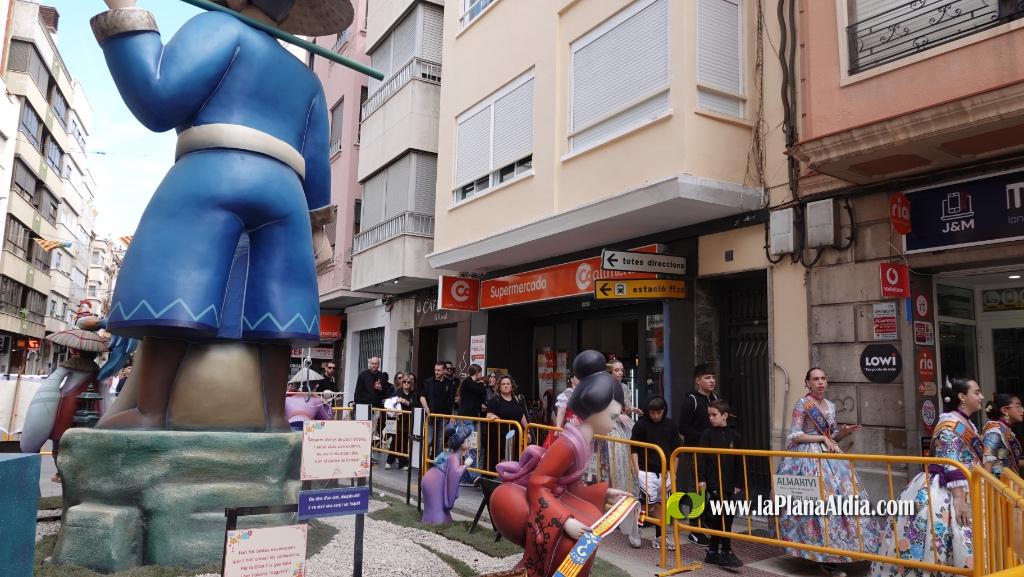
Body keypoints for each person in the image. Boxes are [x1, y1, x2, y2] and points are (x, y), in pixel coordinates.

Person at [91, 0, 344, 429]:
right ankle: (272, 418)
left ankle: (151, 411)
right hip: (286, 195)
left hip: (213, 170)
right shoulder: (308, 80)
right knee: (276, 311)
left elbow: (158, 96)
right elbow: (317, 164)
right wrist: (318, 229)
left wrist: (126, 10)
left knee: (178, 295)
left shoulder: (220, 29)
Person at [490, 350, 636, 577]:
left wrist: (603, 493)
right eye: (612, 416)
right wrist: (564, 521)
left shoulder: (583, 440)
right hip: (526, 501)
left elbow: (569, 486)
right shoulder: (568, 443)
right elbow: (538, 483)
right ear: (595, 410)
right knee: (570, 543)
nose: (614, 422)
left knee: (584, 534)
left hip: (555, 497)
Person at [869, 378, 985, 577]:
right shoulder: (949, 423)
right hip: (947, 490)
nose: (981, 396)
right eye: (976, 392)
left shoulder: (967, 425)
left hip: (969, 486)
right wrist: (959, 498)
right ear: (962, 397)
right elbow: (950, 459)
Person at [778, 368, 882, 577]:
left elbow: (831, 436)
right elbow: (795, 435)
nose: (820, 382)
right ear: (808, 383)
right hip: (807, 460)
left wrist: (842, 433)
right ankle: (821, 554)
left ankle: (847, 547)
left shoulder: (831, 406)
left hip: (832, 461)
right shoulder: (803, 404)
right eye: (815, 379)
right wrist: (822, 438)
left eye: (823, 378)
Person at [630, 395, 681, 551]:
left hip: (665, 472)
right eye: (653, 413)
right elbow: (634, 449)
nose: (656, 416)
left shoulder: (670, 425)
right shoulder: (641, 425)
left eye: (659, 413)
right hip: (646, 471)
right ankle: (636, 531)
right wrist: (637, 470)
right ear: (648, 411)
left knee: (661, 504)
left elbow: (676, 450)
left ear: (664, 411)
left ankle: (660, 536)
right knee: (646, 504)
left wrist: (673, 473)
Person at [676, 363, 719, 546]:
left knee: (712, 489)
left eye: (713, 377)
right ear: (698, 380)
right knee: (697, 491)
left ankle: (705, 521)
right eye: (707, 377)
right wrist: (704, 436)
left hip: (712, 453)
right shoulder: (691, 400)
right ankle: (694, 529)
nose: (712, 381)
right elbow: (683, 428)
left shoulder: (715, 399)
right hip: (695, 453)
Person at [698, 400, 743, 567]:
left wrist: (738, 483)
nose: (711, 418)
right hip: (714, 483)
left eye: (714, 415)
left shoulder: (735, 435)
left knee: (727, 516)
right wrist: (702, 479)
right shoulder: (707, 435)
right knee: (720, 514)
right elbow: (702, 458)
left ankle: (717, 550)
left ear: (724, 416)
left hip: (729, 483)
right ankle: (722, 550)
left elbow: (739, 461)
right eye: (709, 415)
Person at [421, 422, 474, 525]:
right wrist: (465, 465)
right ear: (461, 444)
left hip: (432, 478)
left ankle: (437, 518)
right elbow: (455, 474)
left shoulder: (451, 455)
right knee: (436, 507)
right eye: (468, 440)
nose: (470, 442)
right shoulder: (454, 457)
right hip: (434, 482)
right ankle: (436, 521)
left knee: (437, 507)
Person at [484, 375, 529, 470]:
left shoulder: (516, 399)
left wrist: (527, 431)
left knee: (514, 462)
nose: (506, 386)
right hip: (499, 439)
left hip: (515, 437)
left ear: (512, 386)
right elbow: (488, 415)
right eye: (503, 384)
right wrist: (493, 417)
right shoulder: (494, 400)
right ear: (499, 387)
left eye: (508, 384)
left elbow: (522, 415)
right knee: (495, 463)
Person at [457, 364, 487, 485]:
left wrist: (481, 385)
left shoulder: (474, 384)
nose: (481, 375)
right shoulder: (467, 383)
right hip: (466, 418)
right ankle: (473, 476)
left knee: (472, 447)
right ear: (477, 373)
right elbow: (481, 391)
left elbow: (483, 396)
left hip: (473, 418)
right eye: (480, 372)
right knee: (469, 447)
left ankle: (466, 477)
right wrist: (482, 384)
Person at [982, 393, 1023, 478]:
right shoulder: (994, 429)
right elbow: (987, 460)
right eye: (1017, 406)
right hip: (997, 483)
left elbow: (1007, 458)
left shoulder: (1006, 430)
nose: (1022, 410)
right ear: (1005, 410)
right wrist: (987, 484)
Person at [420, 362, 456, 457]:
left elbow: (451, 401)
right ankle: (424, 463)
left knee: (440, 442)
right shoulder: (428, 382)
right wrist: (427, 409)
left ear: (444, 371)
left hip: (444, 417)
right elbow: (422, 397)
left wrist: (452, 415)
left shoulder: (449, 383)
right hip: (431, 417)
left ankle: (437, 463)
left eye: (439, 370)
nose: (436, 372)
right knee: (429, 440)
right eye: (435, 370)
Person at [385, 375, 416, 470]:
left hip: (408, 420)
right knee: (396, 440)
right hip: (398, 419)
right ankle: (389, 461)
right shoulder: (398, 392)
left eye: (408, 382)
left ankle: (403, 463)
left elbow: (415, 405)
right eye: (404, 382)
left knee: (404, 441)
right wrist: (397, 400)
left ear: (411, 384)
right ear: (402, 383)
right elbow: (390, 402)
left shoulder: (413, 394)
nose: (406, 384)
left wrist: (407, 402)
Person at [543, 373, 579, 449]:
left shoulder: (583, 393)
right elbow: (561, 411)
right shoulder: (568, 392)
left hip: (578, 429)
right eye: (577, 376)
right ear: (572, 380)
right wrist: (558, 428)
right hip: (567, 428)